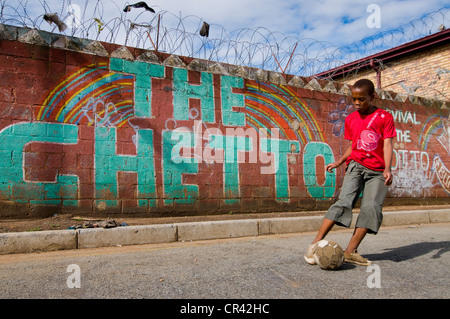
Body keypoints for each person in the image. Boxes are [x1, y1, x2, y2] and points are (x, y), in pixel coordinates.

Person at [304, 78, 396, 266]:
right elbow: (353, 147)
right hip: (356, 166)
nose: (356, 103)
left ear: (372, 97)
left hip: (377, 172)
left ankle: (350, 251)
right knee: (344, 202)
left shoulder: (384, 117)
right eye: (354, 99)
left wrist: (387, 169)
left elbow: (388, 144)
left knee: (371, 208)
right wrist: (339, 162)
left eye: (361, 99)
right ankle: (314, 244)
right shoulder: (351, 119)